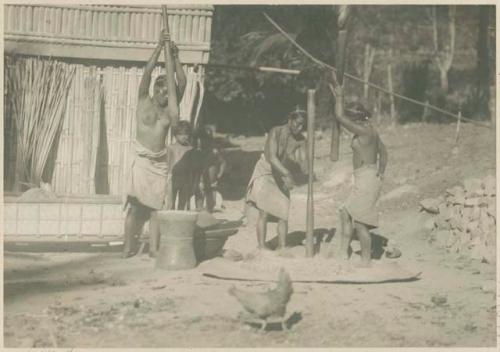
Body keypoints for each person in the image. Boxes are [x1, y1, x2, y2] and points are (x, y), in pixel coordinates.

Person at [123, 28, 186, 258]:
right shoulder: (143, 100)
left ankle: (153, 248)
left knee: (156, 209)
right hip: (141, 160)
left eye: (167, 91)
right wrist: (159, 47)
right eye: (160, 90)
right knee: (134, 206)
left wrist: (176, 57)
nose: (163, 94)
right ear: (154, 90)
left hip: (159, 164)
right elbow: (147, 72)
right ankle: (127, 248)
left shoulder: (170, 112)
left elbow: (181, 81)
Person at [332, 88, 388, 266]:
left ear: (356, 119)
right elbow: (384, 152)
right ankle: (343, 253)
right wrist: (381, 170)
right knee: (345, 212)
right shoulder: (371, 130)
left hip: (367, 179)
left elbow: (340, 117)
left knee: (361, 223)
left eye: (351, 119)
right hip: (367, 177)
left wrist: (340, 95)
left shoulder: (364, 131)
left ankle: (366, 261)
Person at [246, 108, 308, 251]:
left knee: (283, 211)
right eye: (297, 124)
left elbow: (304, 165)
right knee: (264, 211)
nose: (299, 128)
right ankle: (261, 246)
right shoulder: (276, 131)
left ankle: (282, 246)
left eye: (303, 125)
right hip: (266, 170)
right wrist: (288, 174)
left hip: (281, 174)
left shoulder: (300, 139)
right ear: (289, 120)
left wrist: (306, 160)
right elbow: (272, 158)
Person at [195, 124, 227, 213]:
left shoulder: (214, 152)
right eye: (200, 139)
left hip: (212, 182)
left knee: (211, 200)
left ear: (210, 140)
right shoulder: (197, 152)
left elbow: (223, 162)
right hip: (200, 181)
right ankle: (200, 213)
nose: (202, 141)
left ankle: (209, 214)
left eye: (206, 139)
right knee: (199, 198)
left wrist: (220, 173)